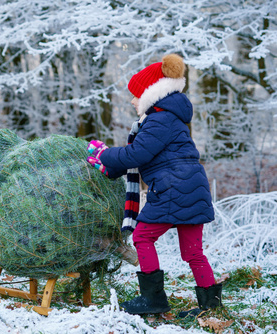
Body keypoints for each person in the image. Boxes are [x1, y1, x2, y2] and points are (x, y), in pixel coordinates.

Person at [86, 54, 222, 317]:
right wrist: (111, 164)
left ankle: (153, 299)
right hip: (192, 187)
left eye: (136, 95)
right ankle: (211, 306)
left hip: (174, 189)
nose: (133, 100)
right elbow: (140, 155)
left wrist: (103, 155)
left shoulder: (159, 119)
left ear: (151, 94)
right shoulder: (172, 118)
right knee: (193, 252)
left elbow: (136, 154)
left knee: (143, 236)